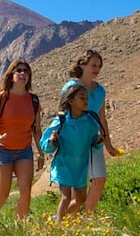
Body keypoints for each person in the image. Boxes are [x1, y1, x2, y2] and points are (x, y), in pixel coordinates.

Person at [61, 49, 120, 215]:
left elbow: (102, 117)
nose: (96, 69)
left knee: (99, 179)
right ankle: (69, 220)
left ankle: (87, 216)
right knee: (76, 184)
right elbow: (64, 114)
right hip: (74, 140)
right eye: (93, 65)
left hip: (93, 140)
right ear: (82, 65)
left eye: (99, 66)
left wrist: (108, 144)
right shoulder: (71, 87)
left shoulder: (100, 91)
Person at [0, 60, 43, 220]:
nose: (22, 74)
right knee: (2, 195)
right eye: (18, 71)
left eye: (26, 71)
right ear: (11, 75)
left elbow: (37, 130)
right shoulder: (2, 97)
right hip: (2, 150)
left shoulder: (34, 100)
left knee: (26, 192)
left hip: (24, 151)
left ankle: (20, 226)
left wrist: (41, 153)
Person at [40, 84, 105, 221]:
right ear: (71, 101)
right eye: (82, 98)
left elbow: (92, 142)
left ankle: (58, 219)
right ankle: (59, 226)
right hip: (64, 165)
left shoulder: (90, 121)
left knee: (81, 198)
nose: (86, 101)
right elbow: (45, 146)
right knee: (66, 196)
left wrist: (98, 142)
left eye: (86, 98)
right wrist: (51, 141)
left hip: (80, 167)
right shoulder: (61, 122)